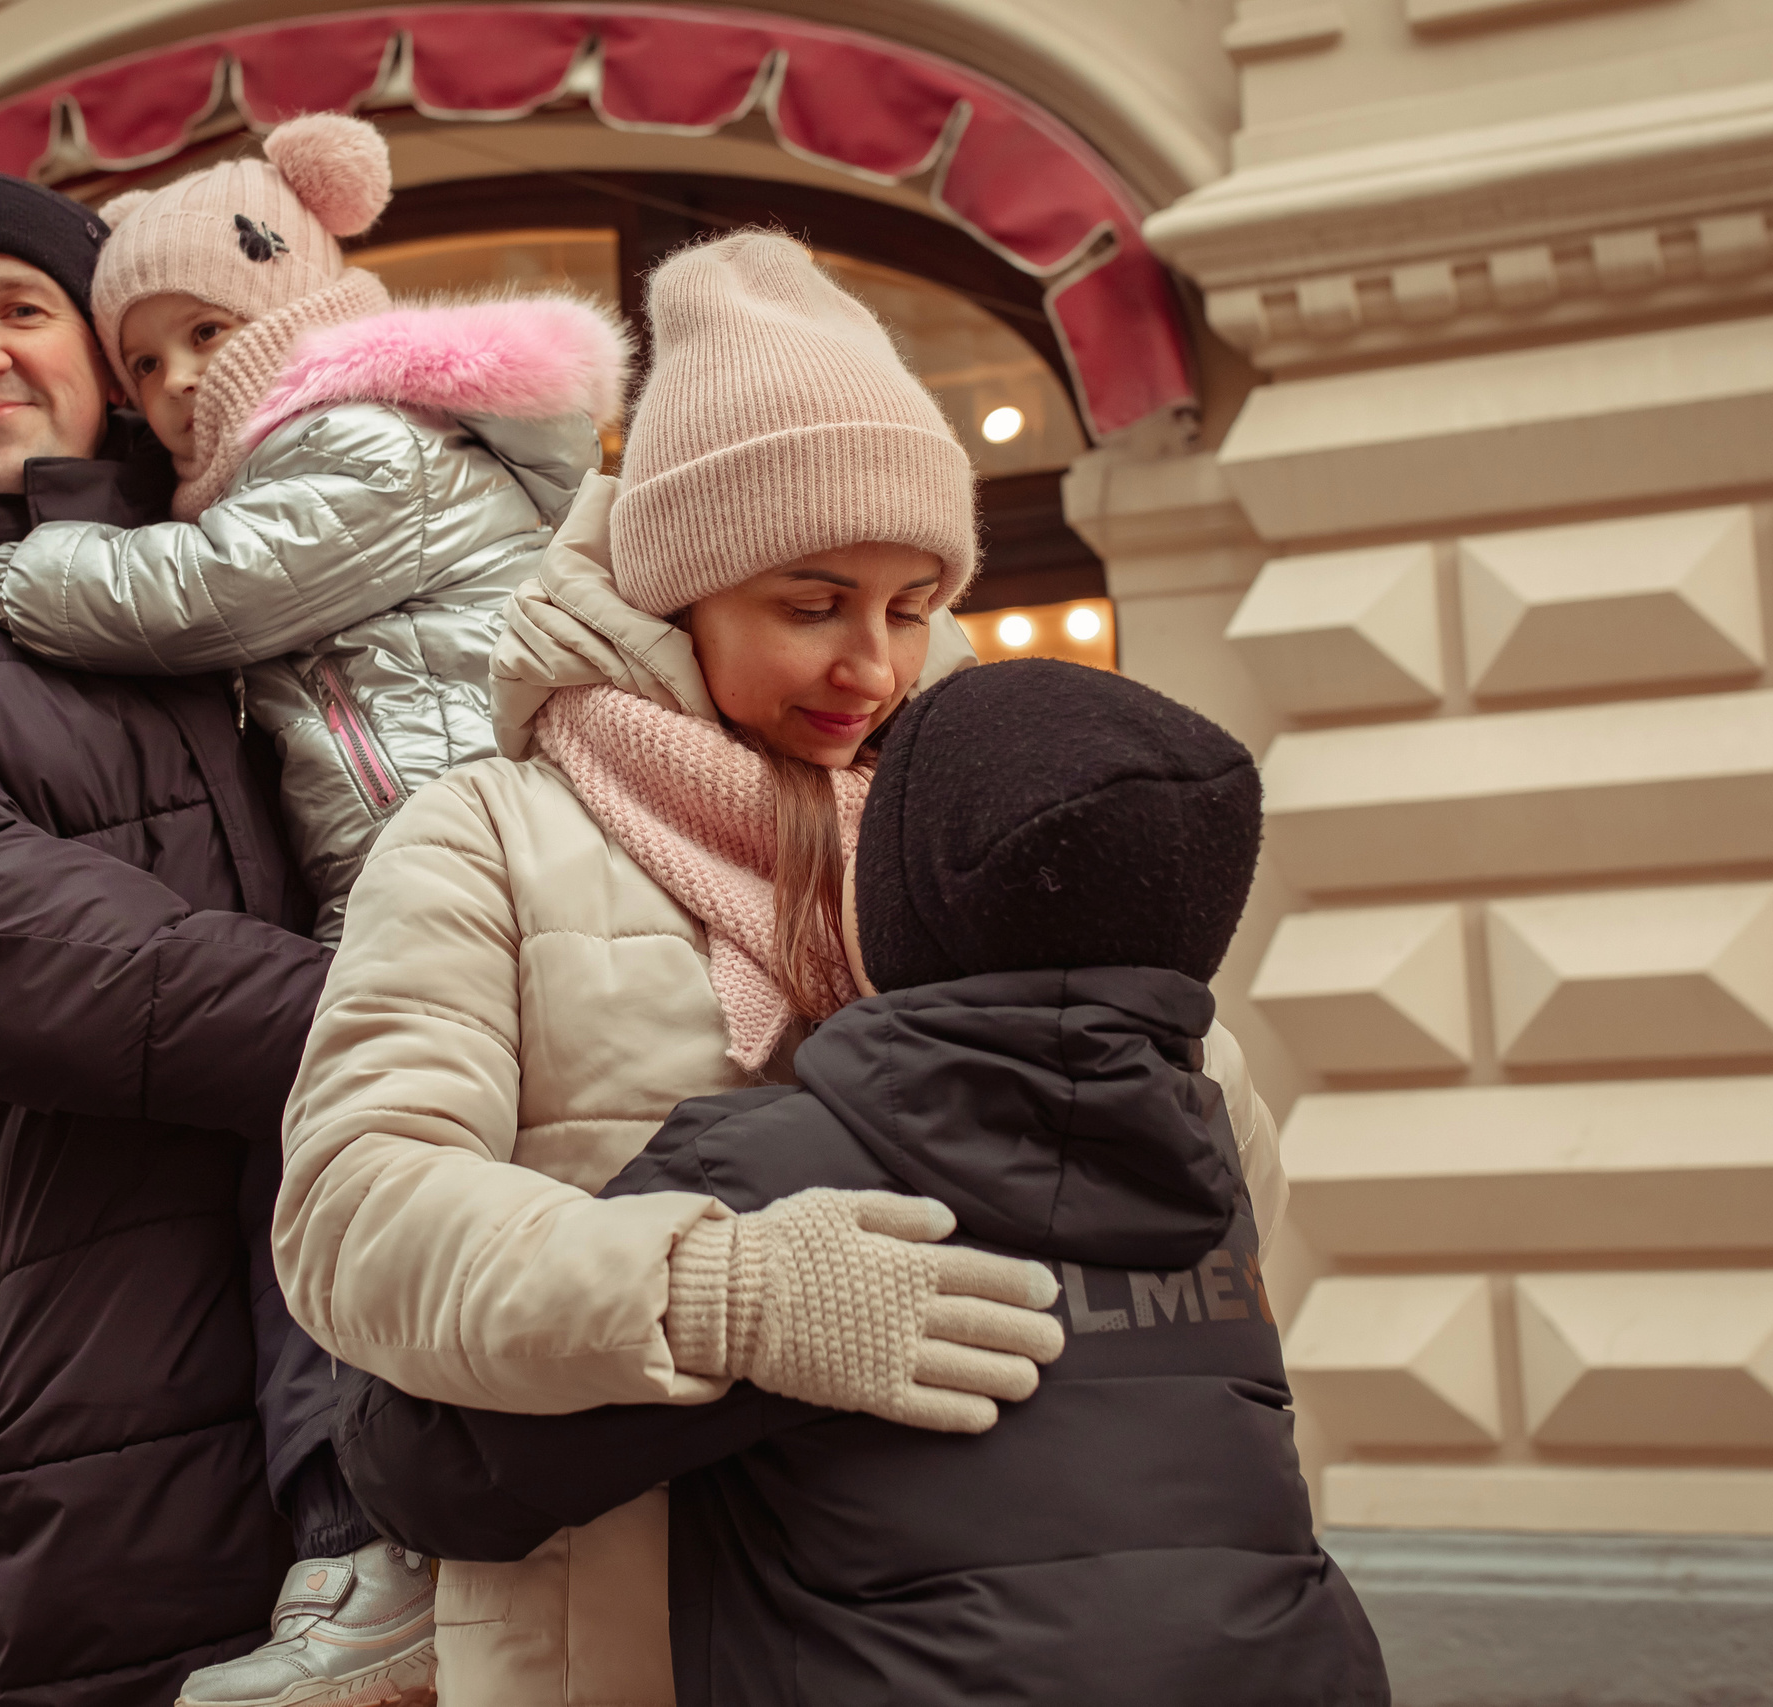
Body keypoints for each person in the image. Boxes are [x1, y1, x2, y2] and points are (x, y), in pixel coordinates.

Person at [271, 232, 1286, 1707]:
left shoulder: (981, 834)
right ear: (684, 582)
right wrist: (712, 1287)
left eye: (912, 602)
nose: (871, 663)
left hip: (959, 1620)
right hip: (625, 1626)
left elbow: (1211, 1197)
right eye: (812, 602)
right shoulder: (490, 831)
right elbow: (354, 1214)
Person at [333, 657, 1388, 1707]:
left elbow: (428, 1476)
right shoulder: (1209, 1161)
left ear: (897, 899)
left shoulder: (774, 1173)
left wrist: (711, 1301)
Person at [0, 172, 422, 1707]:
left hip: (370, 1347)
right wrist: (429, 1017)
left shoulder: (229, 602)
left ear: (108, 363)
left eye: (18, 308)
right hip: (75, 1410)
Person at [0, 114, 625, 942]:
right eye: (147, 363)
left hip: (483, 860)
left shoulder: (372, 439)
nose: (182, 380)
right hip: (424, 862)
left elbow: (198, 589)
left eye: (206, 332)